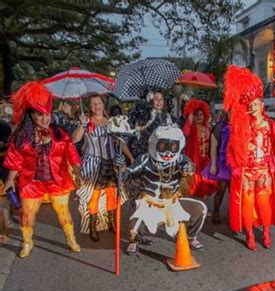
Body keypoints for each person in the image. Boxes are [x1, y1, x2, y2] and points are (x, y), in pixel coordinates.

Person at [3, 81, 82, 257]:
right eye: (40, 115)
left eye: (47, 114)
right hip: (31, 182)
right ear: (31, 116)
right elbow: (15, 158)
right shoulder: (21, 136)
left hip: (58, 180)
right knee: (28, 213)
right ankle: (27, 243)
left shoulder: (60, 132)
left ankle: (71, 239)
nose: (45, 118)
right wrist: (10, 180)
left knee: (63, 213)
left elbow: (72, 154)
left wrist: (77, 173)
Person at [116, 125, 207, 254]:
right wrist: (121, 168)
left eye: (173, 147)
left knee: (201, 209)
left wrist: (188, 170)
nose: (168, 152)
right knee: (134, 227)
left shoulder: (181, 160)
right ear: (154, 143)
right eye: (163, 146)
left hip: (173, 204)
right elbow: (127, 174)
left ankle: (190, 237)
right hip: (149, 204)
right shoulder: (145, 159)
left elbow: (191, 176)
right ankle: (134, 241)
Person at [223, 65, 275, 250]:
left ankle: (266, 231)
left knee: (263, 201)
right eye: (250, 105)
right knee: (248, 201)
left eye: (256, 104)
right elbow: (230, 151)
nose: (253, 107)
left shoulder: (271, 124)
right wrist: (235, 167)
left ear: (262, 105)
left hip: (264, 168)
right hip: (246, 170)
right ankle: (249, 234)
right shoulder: (241, 126)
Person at [72, 94, 132, 241]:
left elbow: (120, 142)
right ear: (89, 107)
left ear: (103, 105)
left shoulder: (111, 122)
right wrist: (82, 124)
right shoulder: (87, 122)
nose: (96, 106)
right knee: (95, 195)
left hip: (111, 162)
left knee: (112, 193)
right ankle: (92, 226)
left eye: (98, 103)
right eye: (93, 104)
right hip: (93, 163)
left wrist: (131, 157)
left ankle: (111, 222)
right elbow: (75, 139)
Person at [183, 99, 218, 198]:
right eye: (196, 114)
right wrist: (190, 113)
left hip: (206, 161)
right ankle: (194, 209)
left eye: (201, 115)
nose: (199, 117)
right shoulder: (192, 128)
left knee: (206, 185)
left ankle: (204, 210)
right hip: (194, 161)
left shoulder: (208, 128)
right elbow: (185, 132)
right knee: (193, 186)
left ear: (205, 116)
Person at [202, 111, 231, 224]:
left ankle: (234, 217)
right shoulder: (220, 127)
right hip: (223, 164)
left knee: (234, 193)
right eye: (230, 112)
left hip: (236, 165)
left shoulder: (240, 125)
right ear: (227, 113)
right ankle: (216, 212)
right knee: (221, 189)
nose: (232, 114)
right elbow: (213, 147)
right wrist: (213, 164)